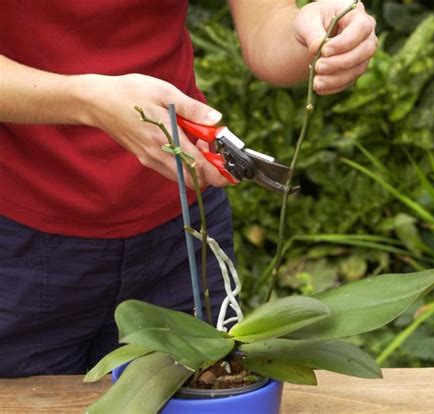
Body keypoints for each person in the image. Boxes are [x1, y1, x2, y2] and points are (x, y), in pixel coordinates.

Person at [0, 0, 377, 377]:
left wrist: (318, 36)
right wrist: (87, 101)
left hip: (184, 237)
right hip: (19, 240)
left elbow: (267, 27)